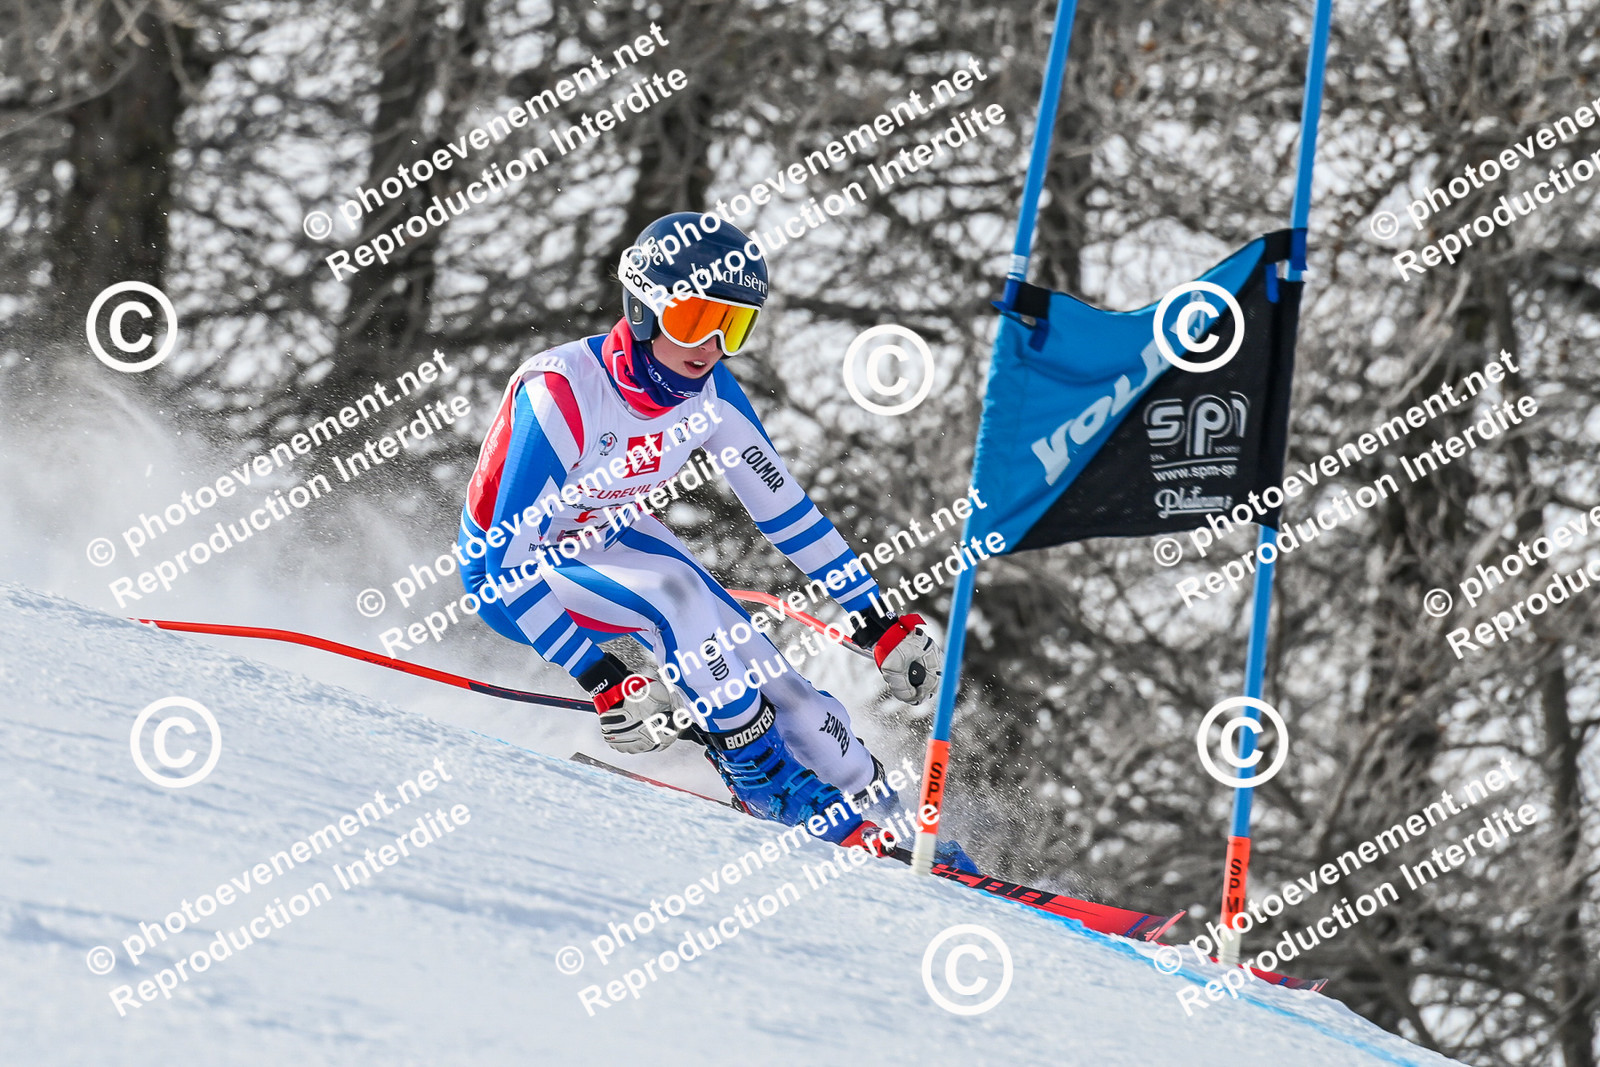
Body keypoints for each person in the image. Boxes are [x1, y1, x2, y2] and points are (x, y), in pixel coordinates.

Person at [456, 210, 972, 868]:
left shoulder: (710, 395)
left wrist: (877, 621)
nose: (710, 345)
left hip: (611, 537)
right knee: (677, 592)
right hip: (515, 574)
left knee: (795, 700)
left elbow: (786, 511)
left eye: (733, 325)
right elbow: (501, 563)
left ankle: (889, 820)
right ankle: (761, 779)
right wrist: (601, 676)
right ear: (644, 309)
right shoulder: (563, 395)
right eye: (694, 318)